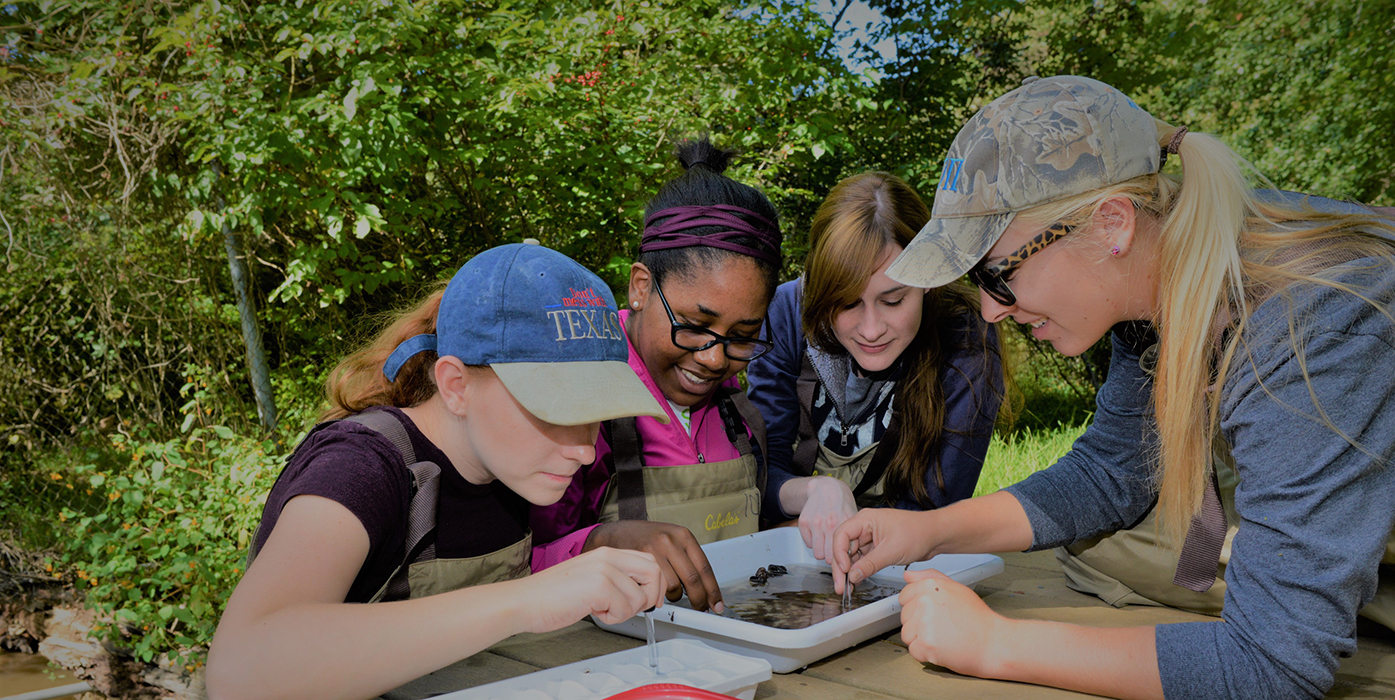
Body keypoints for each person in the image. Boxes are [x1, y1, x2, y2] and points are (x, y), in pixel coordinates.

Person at [830, 75, 1395, 700]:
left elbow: (1271, 669)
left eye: (996, 274)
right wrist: (928, 530)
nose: (991, 313)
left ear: (1112, 225)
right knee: (1102, 552)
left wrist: (995, 643)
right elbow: (1114, 473)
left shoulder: (1310, 324)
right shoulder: (1156, 291)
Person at [206, 243, 670, 700]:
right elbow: (240, 668)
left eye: (596, 415)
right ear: (456, 385)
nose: (585, 452)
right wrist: (528, 600)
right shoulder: (359, 468)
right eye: (555, 412)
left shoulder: (508, 470)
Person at [531, 139, 783, 614]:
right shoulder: (578, 413)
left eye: (742, 336)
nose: (713, 360)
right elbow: (511, 571)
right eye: (693, 326)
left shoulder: (740, 418)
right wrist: (596, 544)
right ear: (640, 287)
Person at [745, 171, 1004, 563]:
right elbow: (761, 475)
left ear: (928, 281)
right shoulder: (784, 315)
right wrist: (818, 492)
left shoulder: (967, 339)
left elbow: (934, 509)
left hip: (905, 552)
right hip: (799, 543)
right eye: (848, 303)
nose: (871, 330)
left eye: (894, 300)